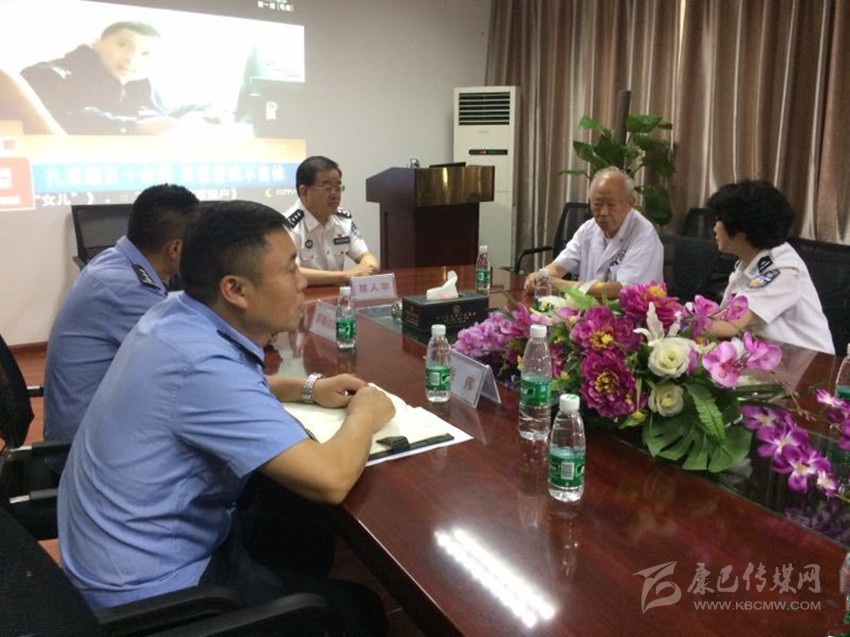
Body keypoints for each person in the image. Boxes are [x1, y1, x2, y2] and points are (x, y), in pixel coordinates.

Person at [58, 200, 394, 636]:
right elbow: (330, 479)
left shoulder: (175, 314)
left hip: (129, 548)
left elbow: (229, 384)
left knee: (303, 533)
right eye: (290, 269)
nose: (302, 282)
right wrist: (365, 413)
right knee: (359, 612)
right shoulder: (200, 365)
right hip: (153, 592)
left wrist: (309, 387)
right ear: (235, 289)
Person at [43, 183, 200, 448]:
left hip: (94, 425)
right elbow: (189, 368)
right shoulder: (128, 289)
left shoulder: (116, 261)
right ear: (175, 248)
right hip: (86, 448)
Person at [705, 179, 834, 354]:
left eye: (719, 220)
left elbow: (730, 326)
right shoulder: (748, 262)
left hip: (809, 363)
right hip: (770, 358)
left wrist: (680, 322)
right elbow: (723, 316)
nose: (714, 228)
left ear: (741, 227)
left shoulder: (782, 269)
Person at [20, 21, 216, 135]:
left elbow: (163, 114)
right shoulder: (49, 75)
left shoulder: (140, 85)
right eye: (123, 45)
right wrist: (132, 128)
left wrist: (206, 112)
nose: (131, 58)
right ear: (96, 43)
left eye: (145, 54)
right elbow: (62, 117)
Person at [523, 167, 664, 299]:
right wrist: (541, 276)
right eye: (597, 204)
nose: (603, 212)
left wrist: (562, 285)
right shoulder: (588, 229)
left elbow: (625, 289)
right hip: (588, 309)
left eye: (611, 205)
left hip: (629, 313)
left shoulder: (644, 234)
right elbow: (560, 266)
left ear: (630, 203)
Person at [283, 155, 379, 285]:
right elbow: (291, 272)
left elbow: (366, 257)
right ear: (304, 192)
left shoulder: (342, 220)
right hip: (303, 295)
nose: (335, 195)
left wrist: (369, 267)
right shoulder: (288, 226)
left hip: (337, 295)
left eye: (338, 188)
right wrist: (346, 275)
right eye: (327, 188)